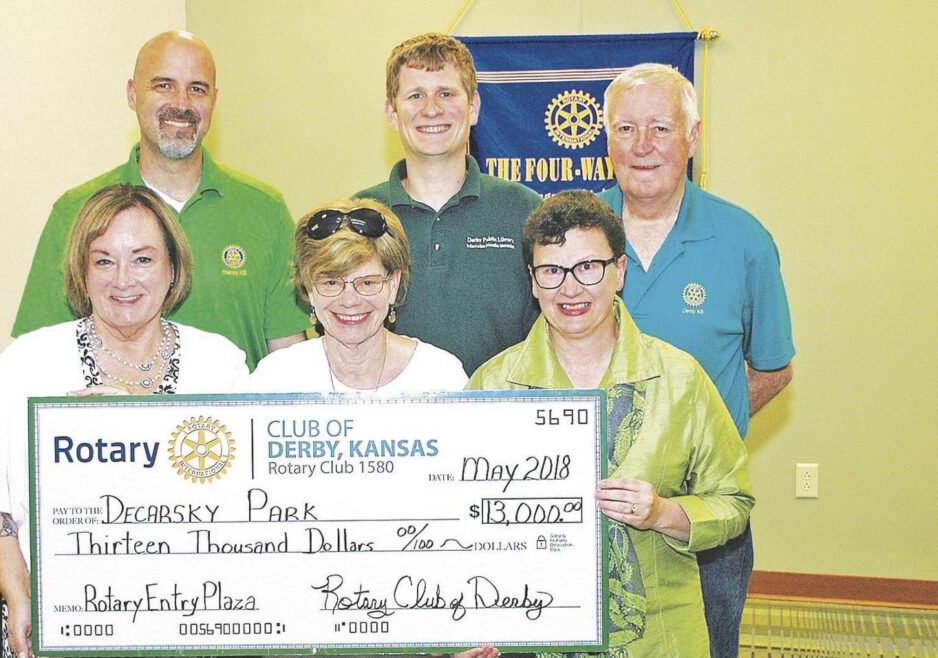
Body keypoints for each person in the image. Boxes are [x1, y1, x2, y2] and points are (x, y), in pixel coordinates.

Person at [0, 184, 249, 658]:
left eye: (142, 259)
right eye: (103, 260)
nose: (123, 280)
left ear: (173, 267)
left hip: (187, 619)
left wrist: (139, 415)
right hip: (59, 623)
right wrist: (21, 594)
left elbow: (245, 502)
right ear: (82, 269)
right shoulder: (26, 363)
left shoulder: (220, 364)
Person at [467, 190, 754, 657]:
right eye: (552, 272)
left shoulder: (679, 379)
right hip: (533, 637)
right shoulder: (492, 385)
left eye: (588, 267)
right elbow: (462, 522)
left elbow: (733, 501)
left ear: (619, 271)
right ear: (533, 282)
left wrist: (664, 513)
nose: (570, 288)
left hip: (659, 640)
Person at [597, 63, 794, 657]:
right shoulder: (576, 236)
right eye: (627, 129)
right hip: (596, 511)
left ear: (694, 136)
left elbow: (772, 368)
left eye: (661, 127)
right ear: (607, 142)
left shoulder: (744, 240)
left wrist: (702, 432)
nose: (644, 146)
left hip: (704, 516)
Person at [12, 30, 308, 370]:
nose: (181, 104)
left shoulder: (264, 210)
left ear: (214, 99)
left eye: (197, 88)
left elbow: (289, 361)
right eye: (163, 85)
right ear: (132, 94)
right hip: (107, 422)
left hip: (230, 423)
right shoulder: (77, 211)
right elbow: (37, 359)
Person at [356, 32, 542, 376]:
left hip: (503, 417)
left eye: (446, 93)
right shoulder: (359, 216)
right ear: (392, 112)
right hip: (391, 423)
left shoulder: (524, 210)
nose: (431, 109)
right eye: (415, 95)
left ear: (473, 107)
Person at [250, 198, 467, 393]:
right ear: (309, 289)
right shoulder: (275, 379)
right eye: (331, 282)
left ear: (393, 284)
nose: (350, 301)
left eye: (367, 283)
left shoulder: (441, 377)